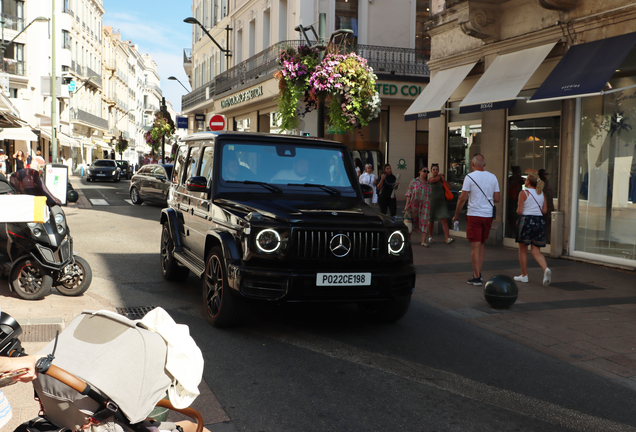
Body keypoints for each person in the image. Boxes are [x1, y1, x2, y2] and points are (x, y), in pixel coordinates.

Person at [452, 154, 501, 286]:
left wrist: (456, 214)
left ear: (472, 164)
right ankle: (479, 272)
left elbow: (462, 198)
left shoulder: (469, 177)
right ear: (484, 164)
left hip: (474, 214)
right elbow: (497, 199)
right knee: (482, 244)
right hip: (488, 215)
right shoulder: (493, 177)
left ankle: (476, 276)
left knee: (475, 245)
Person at [514, 172, 552, 286]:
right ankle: (545, 269)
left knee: (523, 250)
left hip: (526, 221)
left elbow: (519, 211)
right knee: (536, 251)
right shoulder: (541, 193)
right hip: (539, 222)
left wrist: (518, 205)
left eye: (525, 180)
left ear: (528, 182)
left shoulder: (523, 193)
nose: (524, 182)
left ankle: (524, 275)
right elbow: (544, 211)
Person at [427, 163, 454, 245]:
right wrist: (440, 176)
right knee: (431, 220)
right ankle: (430, 236)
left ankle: (447, 238)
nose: (435, 171)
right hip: (432, 202)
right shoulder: (430, 179)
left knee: (444, 219)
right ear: (431, 171)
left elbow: (449, 187)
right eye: (434, 169)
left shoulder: (441, 181)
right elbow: (433, 180)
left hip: (442, 203)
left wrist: (443, 180)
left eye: (437, 169)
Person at [404, 167, 432, 246]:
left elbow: (430, 195)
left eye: (427, 172)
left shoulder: (428, 183)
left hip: (424, 205)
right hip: (414, 204)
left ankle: (423, 241)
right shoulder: (414, 182)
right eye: (424, 171)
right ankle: (409, 238)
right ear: (420, 172)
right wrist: (407, 205)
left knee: (424, 221)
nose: (426, 173)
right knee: (411, 221)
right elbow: (409, 193)